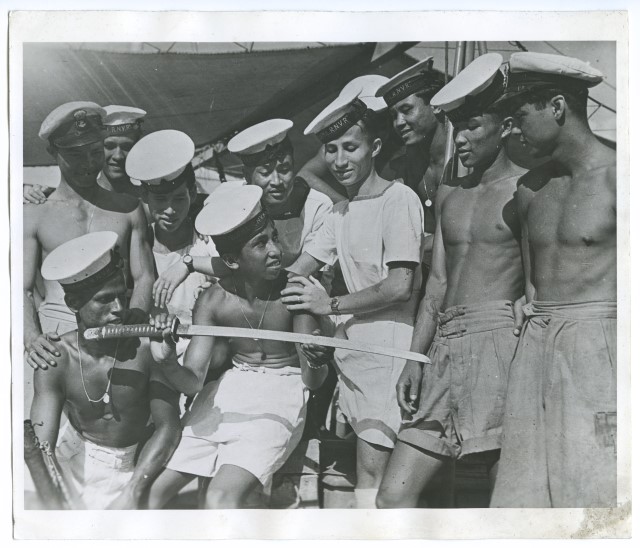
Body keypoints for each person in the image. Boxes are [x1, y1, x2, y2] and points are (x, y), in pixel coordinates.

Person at [375, 54, 526, 508]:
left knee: (507, 500)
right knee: (392, 498)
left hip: (500, 343)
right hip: (443, 345)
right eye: (457, 126)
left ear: (505, 126)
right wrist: (414, 357)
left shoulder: (526, 190)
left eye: (473, 126)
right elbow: (436, 285)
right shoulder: (448, 194)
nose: (460, 138)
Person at [281, 88, 424, 508]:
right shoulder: (341, 212)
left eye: (351, 147)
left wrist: (328, 305)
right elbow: (297, 272)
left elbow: (400, 286)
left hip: (390, 348)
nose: (340, 160)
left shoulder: (398, 199)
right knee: (368, 476)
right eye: (331, 149)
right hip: (354, 351)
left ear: (374, 148)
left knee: (374, 477)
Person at [146, 185, 331, 509]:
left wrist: (317, 362)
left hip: (281, 396)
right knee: (153, 494)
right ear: (231, 260)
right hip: (227, 392)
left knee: (219, 498)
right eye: (261, 244)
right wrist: (167, 362)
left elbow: (311, 381)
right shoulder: (213, 301)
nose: (275, 250)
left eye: (274, 237)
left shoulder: (295, 293)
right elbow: (193, 381)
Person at [489, 52, 616, 508]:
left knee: (597, 499)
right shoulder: (530, 190)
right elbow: (532, 286)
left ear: (558, 107)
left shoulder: (621, 178)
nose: (511, 130)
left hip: (601, 352)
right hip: (536, 345)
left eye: (519, 115)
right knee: (521, 499)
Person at [30, 231, 181, 509]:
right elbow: (43, 446)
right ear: (73, 303)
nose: (119, 308)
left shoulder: (146, 347)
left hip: (135, 468)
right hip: (70, 458)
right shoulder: (57, 358)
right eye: (104, 300)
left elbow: (169, 428)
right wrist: (54, 497)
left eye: (122, 295)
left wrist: (133, 490)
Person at [24, 102, 155, 407]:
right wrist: (30, 336)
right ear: (53, 152)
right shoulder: (34, 214)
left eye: (95, 152)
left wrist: (134, 321)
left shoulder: (128, 209)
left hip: (114, 334)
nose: (87, 163)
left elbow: (144, 276)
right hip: (54, 340)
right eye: (75, 154)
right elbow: (20, 287)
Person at [152, 118, 332, 308]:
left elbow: (293, 274)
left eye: (284, 169)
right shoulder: (227, 200)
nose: (277, 181)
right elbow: (228, 261)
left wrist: (190, 264)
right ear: (247, 176)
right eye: (265, 173)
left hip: (300, 303)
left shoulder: (319, 207)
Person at [376, 57, 447, 272]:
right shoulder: (401, 168)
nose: (398, 122)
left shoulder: (466, 158)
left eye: (406, 110)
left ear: (435, 105)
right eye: (394, 115)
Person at [23, 105, 148, 208]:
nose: (118, 156)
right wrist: (37, 195)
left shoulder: (150, 200)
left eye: (127, 147)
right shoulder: (64, 197)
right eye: (109, 146)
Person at [297, 74, 394, 204]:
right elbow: (304, 175)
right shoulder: (338, 146)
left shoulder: (401, 142)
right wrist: (346, 204)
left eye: (380, 119)